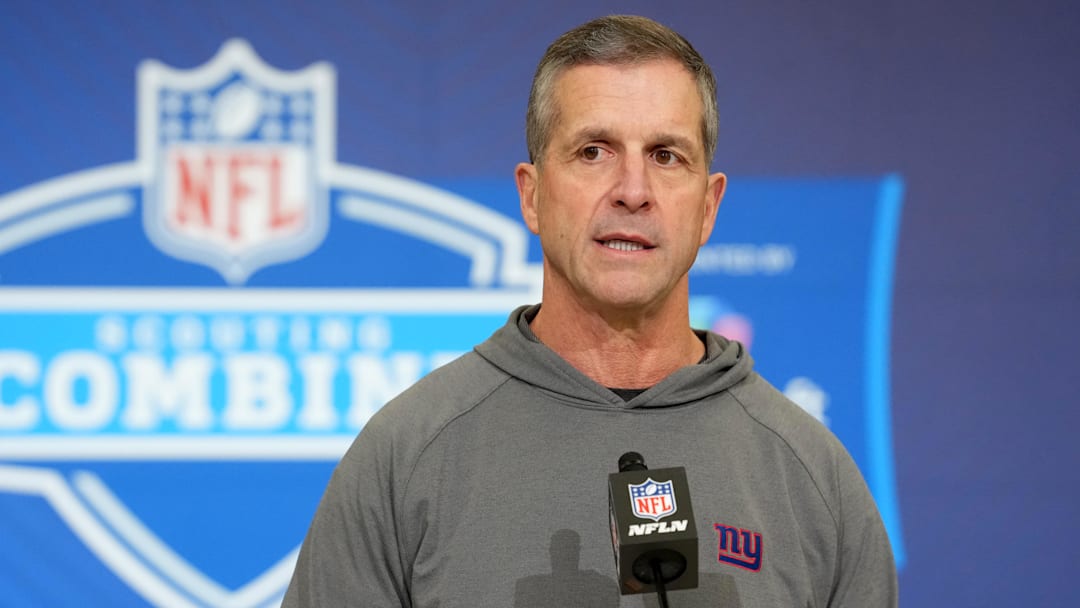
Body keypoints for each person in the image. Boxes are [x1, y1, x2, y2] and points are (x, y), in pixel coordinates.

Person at [283, 14, 897, 607]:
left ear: (709, 207)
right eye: (594, 151)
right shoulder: (405, 456)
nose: (633, 191)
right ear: (532, 194)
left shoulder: (815, 477)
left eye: (666, 155)